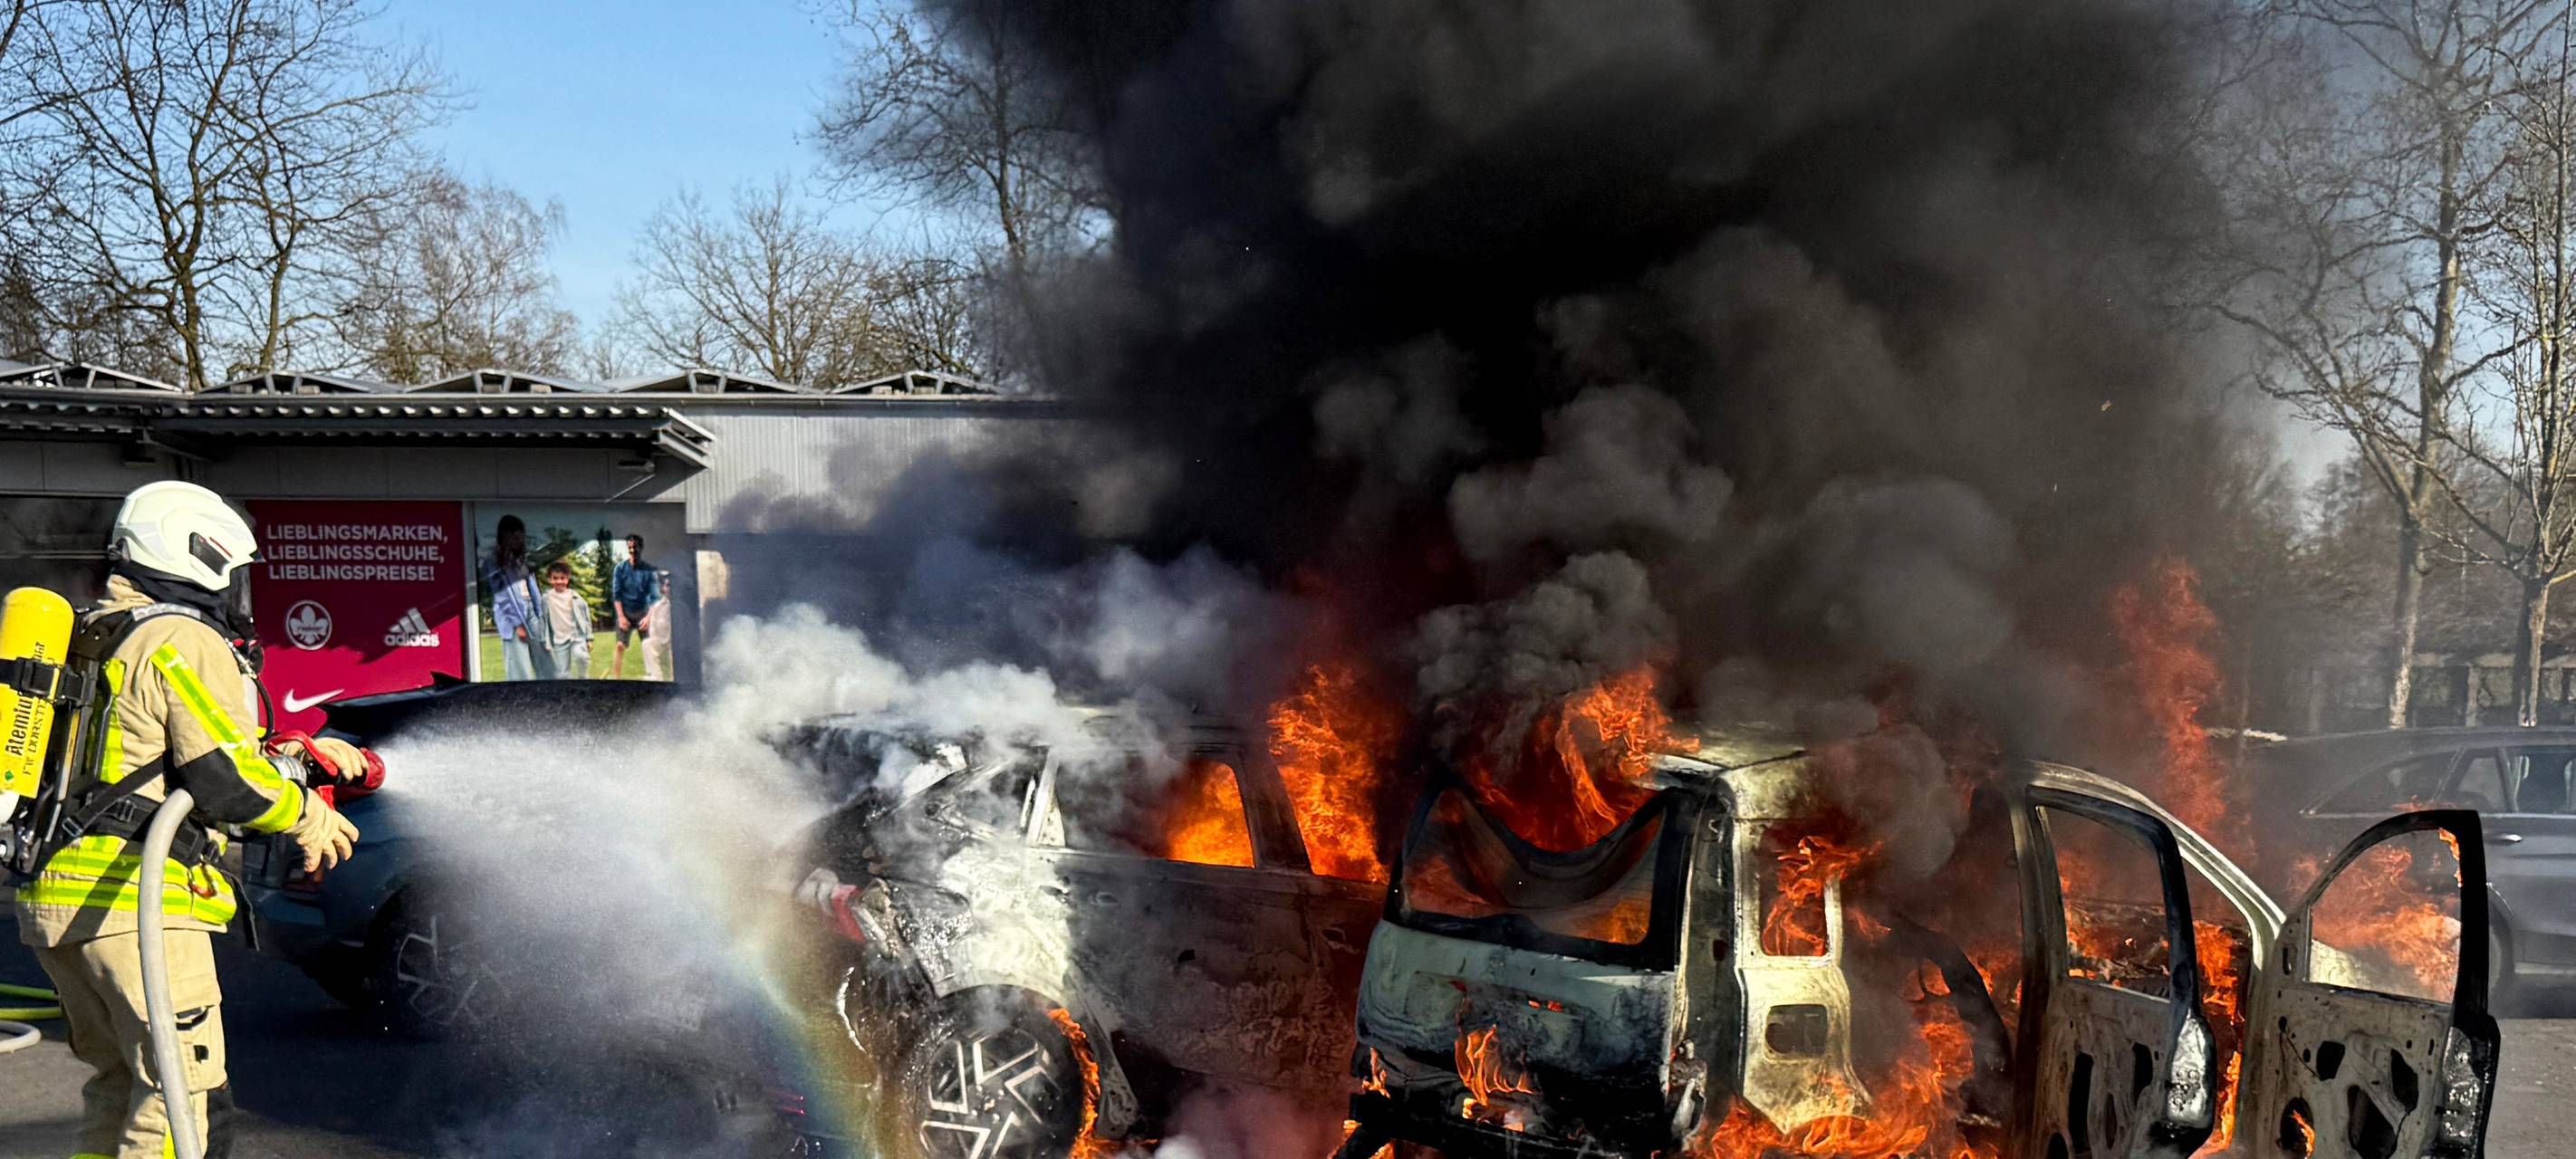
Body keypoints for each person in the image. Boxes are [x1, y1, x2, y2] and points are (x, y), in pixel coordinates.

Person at [16, 481, 368, 1159]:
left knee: (119, 1085)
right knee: (183, 1098)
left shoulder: (97, 632)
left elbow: (150, 759)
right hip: (131, 902)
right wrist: (309, 820)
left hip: (55, 903)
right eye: (234, 574)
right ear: (197, 555)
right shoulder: (180, 636)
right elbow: (224, 777)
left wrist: (292, 756)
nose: (238, 594)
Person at [482, 515, 546, 681]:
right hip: (513, 617)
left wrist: (540, 614)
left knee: (543, 663)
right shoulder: (494, 561)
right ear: (506, 537)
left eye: (521, 536)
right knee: (519, 668)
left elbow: (532, 586)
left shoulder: (521, 559)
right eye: (516, 537)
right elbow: (502, 595)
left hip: (531, 609)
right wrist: (517, 623)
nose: (520, 540)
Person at [610, 534, 662, 679]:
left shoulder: (650, 571)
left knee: (648, 646)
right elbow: (617, 595)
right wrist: (621, 617)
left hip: (643, 613)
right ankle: (616, 681)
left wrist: (648, 618)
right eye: (630, 548)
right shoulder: (620, 569)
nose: (633, 551)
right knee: (620, 645)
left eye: (635, 548)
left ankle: (652, 677)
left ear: (641, 548)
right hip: (625, 612)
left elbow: (655, 597)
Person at [539, 560, 592, 679]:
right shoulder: (546, 599)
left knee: (581, 656)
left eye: (562, 578)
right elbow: (542, 620)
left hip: (576, 636)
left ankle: (583, 679)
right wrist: (545, 640)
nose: (559, 581)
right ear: (550, 579)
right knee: (562, 674)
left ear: (568, 579)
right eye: (555, 578)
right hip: (559, 639)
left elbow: (585, 618)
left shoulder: (575, 597)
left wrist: (589, 638)